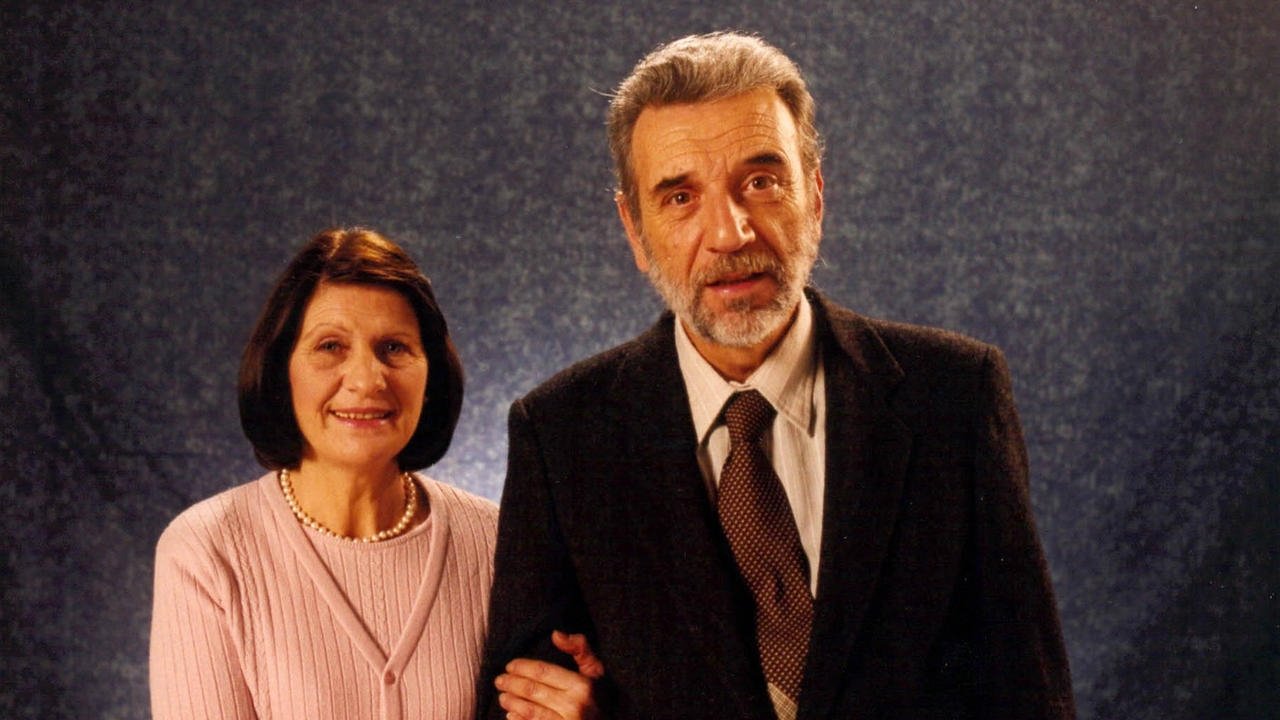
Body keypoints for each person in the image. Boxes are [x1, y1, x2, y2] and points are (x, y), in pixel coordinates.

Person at [478, 32, 1076, 719]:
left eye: (760, 183)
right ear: (635, 231)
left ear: (815, 197)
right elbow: (516, 702)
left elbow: (1031, 695)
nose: (730, 234)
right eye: (680, 197)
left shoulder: (954, 396)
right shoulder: (562, 437)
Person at [150, 228, 601, 720]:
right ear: (281, 370)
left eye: (393, 348)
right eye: (330, 346)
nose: (367, 380)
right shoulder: (208, 552)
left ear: (431, 376)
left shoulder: (500, 544)